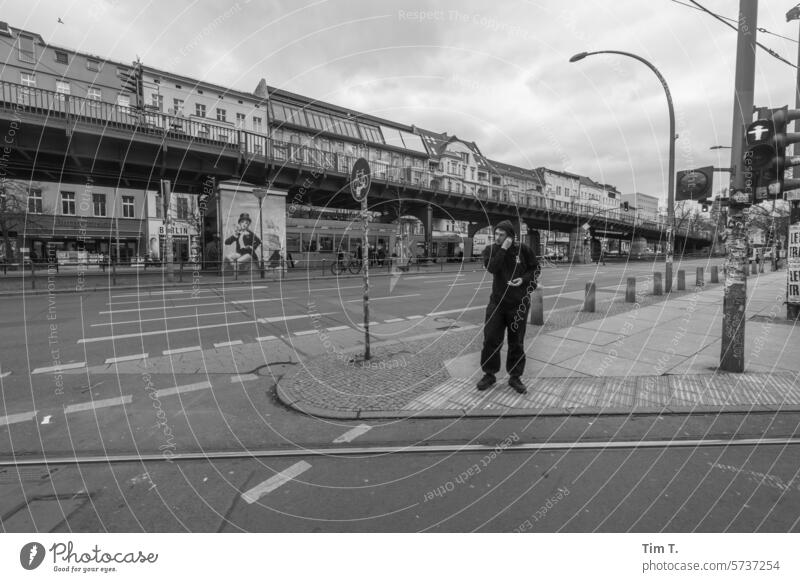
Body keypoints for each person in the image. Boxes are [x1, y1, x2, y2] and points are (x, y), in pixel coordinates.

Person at [477, 220, 541, 394]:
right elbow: (492, 268)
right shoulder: (491, 250)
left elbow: (535, 268)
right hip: (497, 304)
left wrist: (524, 279)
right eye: (496, 234)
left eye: (501, 235)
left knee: (516, 342)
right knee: (490, 339)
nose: (497, 237)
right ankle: (489, 374)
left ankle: (515, 377)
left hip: (518, 304)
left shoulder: (523, 250)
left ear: (510, 236)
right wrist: (503, 248)